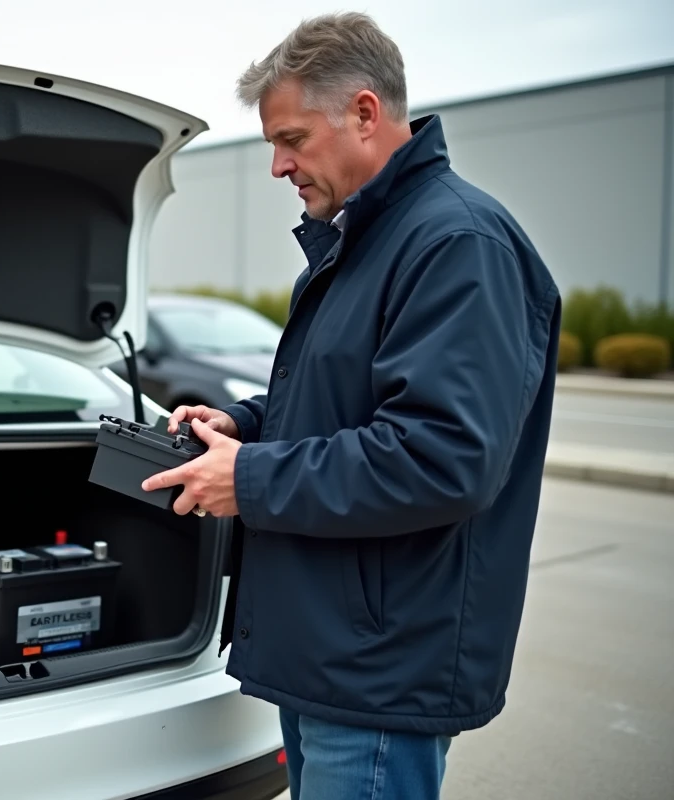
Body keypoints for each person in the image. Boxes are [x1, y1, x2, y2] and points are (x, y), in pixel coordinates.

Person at [140, 11, 561, 800]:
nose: (276, 166)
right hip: (329, 653)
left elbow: (441, 459)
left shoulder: (457, 244)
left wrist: (253, 479)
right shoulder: (360, 243)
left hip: (379, 671)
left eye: (291, 139)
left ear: (365, 113)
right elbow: (344, 402)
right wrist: (243, 426)